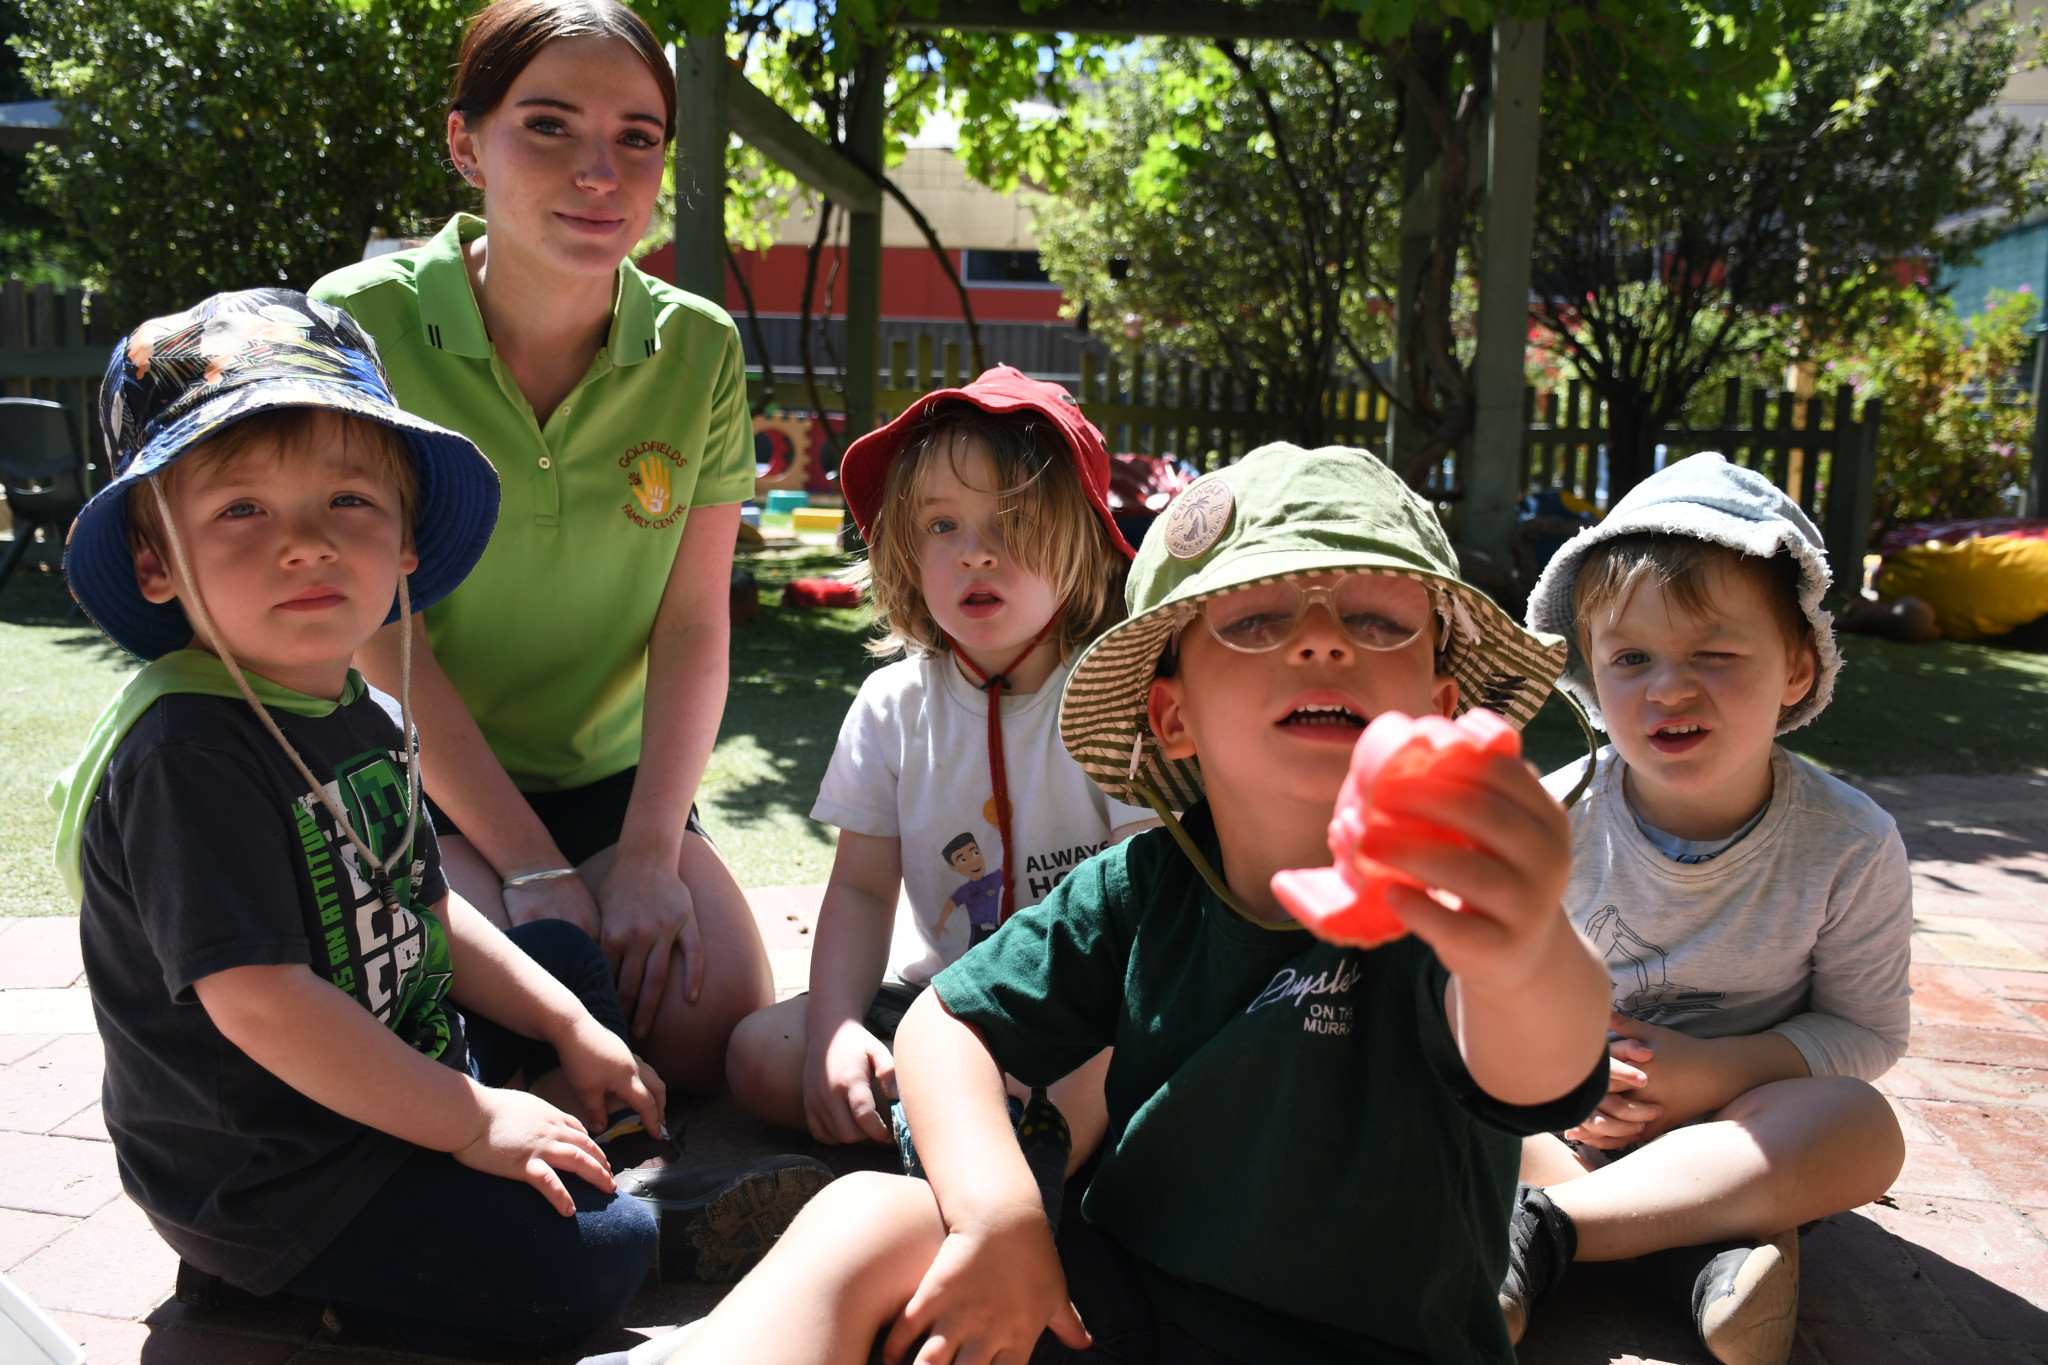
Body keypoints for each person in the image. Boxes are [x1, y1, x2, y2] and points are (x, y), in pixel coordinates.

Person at [661, 442, 1614, 1365]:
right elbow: (944, 1027)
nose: (1321, 638)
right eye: (1254, 621)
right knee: (869, 1216)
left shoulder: (1445, 901)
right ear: (1174, 716)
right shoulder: (1141, 884)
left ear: (1445, 705)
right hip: (1124, 1309)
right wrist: (1003, 1214)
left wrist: (1522, 947)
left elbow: (1540, 1070)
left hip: (1357, 1341)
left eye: (1376, 621)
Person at [50, 289, 664, 1357]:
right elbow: (266, 1009)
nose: (305, 546)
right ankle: (320, 1289)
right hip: (280, 1173)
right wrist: (472, 1121)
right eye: (241, 511)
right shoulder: (190, 752)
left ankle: (558, 1134)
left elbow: (423, 907)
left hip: (397, 1061)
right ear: (158, 562)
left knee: (563, 959)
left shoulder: (358, 705)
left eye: (348, 502)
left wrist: (566, 1025)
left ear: (407, 542)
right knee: (596, 1261)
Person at [309, 0, 771, 1098]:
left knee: (709, 1034)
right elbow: (376, 628)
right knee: (503, 1016)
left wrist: (651, 854)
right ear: (466, 143)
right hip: (411, 773)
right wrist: (529, 866)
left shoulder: (697, 347)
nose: (599, 172)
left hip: (614, 784)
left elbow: (695, 617)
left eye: (637, 137)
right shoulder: (354, 325)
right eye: (549, 127)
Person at [1508, 453, 1911, 1365]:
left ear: (1799, 667)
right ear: (1588, 671)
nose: (1667, 688)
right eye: (1631, 658)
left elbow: (1867, 1030)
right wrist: (1559, 1075)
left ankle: (1535, 1239)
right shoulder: (1551, 816)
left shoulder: (1850, 841)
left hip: (1738, 1126)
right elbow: (1484, 986)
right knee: (1424, 1081)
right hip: (1566, 1122)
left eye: (1716, 655)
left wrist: (1717, 1070)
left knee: (1861, 1127)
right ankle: (1695, 1255)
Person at [725, 368, 1151, 1165]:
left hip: (1085, 1017)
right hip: (940, 1004)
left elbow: (1148, 914)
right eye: (943, 525)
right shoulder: (892, 705)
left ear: (1087, 537)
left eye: (1013, 519)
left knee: (1121, 1074)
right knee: (759, 1053)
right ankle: (976, 1144)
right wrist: (838, 1032)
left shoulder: (1113, 697)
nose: (976, 553)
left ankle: (958, 1158)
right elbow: (858, 887)